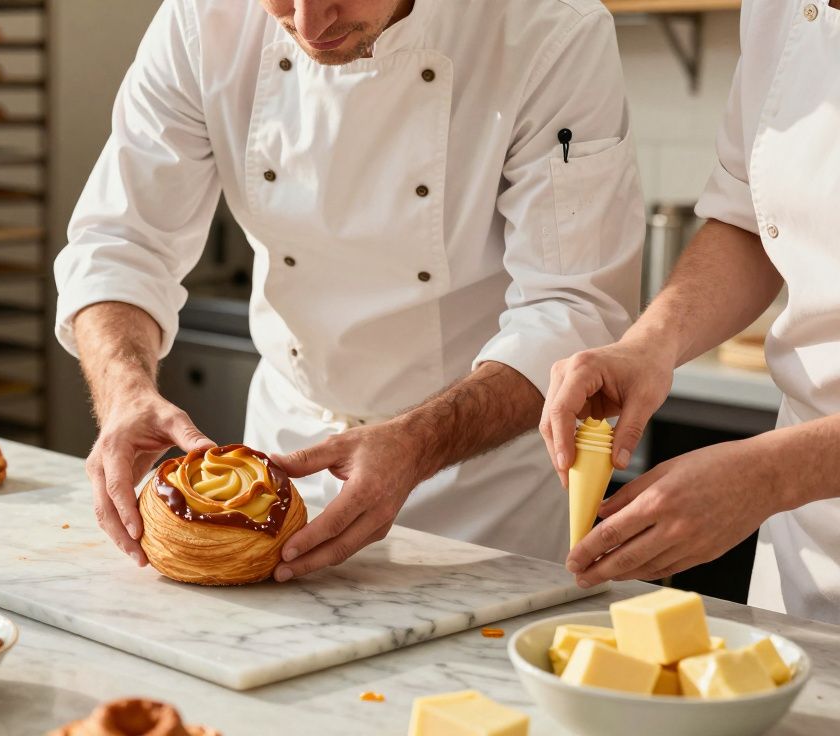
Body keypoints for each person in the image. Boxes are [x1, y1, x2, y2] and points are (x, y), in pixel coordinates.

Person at [56, 0, 643, 579]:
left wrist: (419, 442)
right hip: (278, 467)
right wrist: (124, 395)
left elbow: (574, 306)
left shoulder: (551, 29)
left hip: (476, 491)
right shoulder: (198, 20)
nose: (310, 24)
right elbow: (121, 243)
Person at [540, 0, 840, 624]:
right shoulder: (778, 11)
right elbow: (747, 222)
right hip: (807, 552)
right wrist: (650, 342)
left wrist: (772, 475)